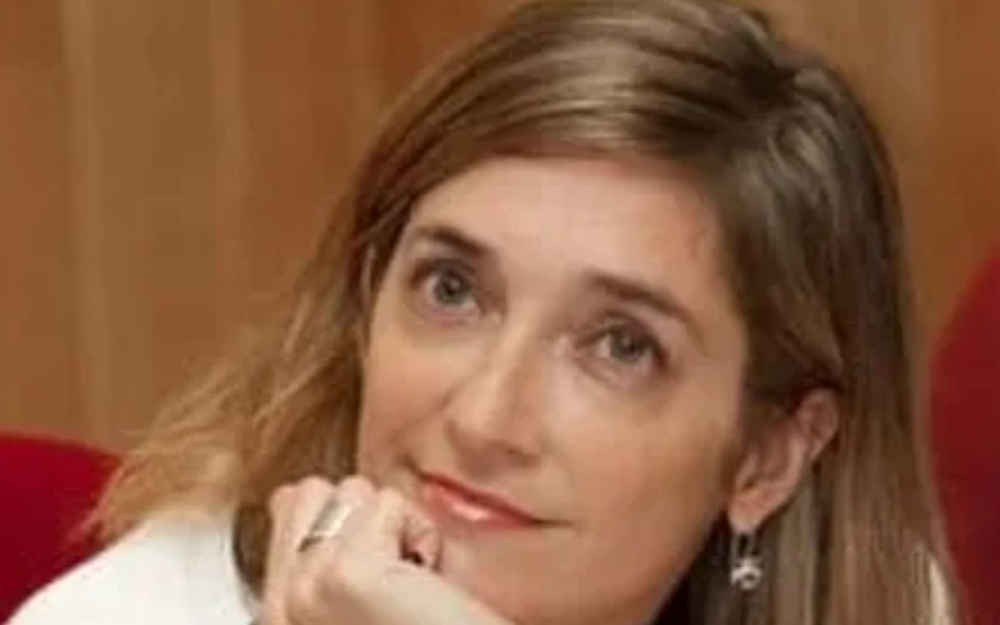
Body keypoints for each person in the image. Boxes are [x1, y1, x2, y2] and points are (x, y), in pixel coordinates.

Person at [10, 0, 956, 624]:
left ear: (769, 456)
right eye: (453, 289)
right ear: (368, 297)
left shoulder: (879, 596)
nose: (484, 418)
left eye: (622, 346)